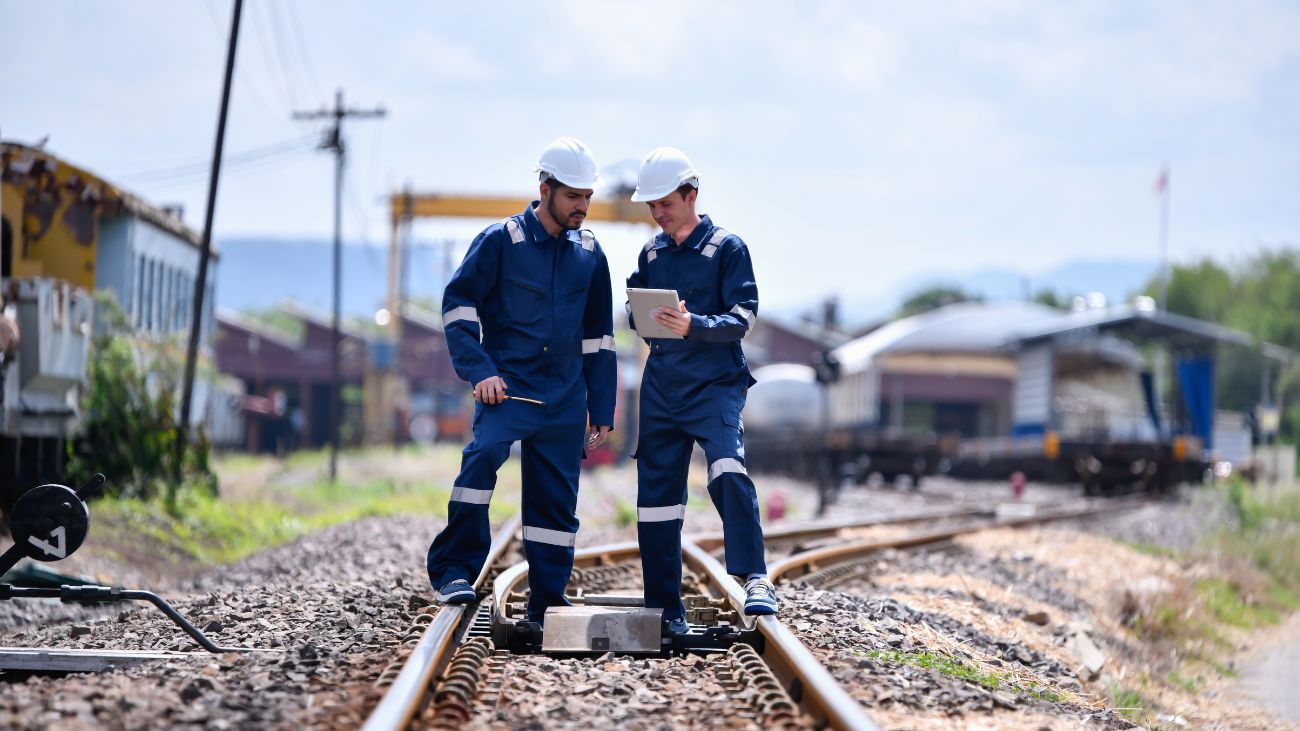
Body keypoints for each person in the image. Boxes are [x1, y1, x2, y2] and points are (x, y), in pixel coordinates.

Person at [426, 137, 616, 623]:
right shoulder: (500, 242)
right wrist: (481, 371)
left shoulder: (590, 254)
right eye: (573, 196)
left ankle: (548, 598)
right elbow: (458, 308)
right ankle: (454, 570)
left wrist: (603, 407)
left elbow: (600, 338)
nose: (583, 207)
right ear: (545, 188)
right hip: (509, 388)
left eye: (588, 197)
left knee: (557, 500)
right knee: (482, 460)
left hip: (566, 398)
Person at [624, 147, 776, 634]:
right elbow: (633, 309)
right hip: (663, 387)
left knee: (728, 468)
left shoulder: (728, 249)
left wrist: (694, 325)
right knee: (657, 500)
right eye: (651, 206)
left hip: (714, 386)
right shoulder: (652, 252)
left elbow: (743, 318)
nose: (656, 213)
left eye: (664, 203)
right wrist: (643, 317)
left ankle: (755, 577)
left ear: (691, 194)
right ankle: (664, 609)